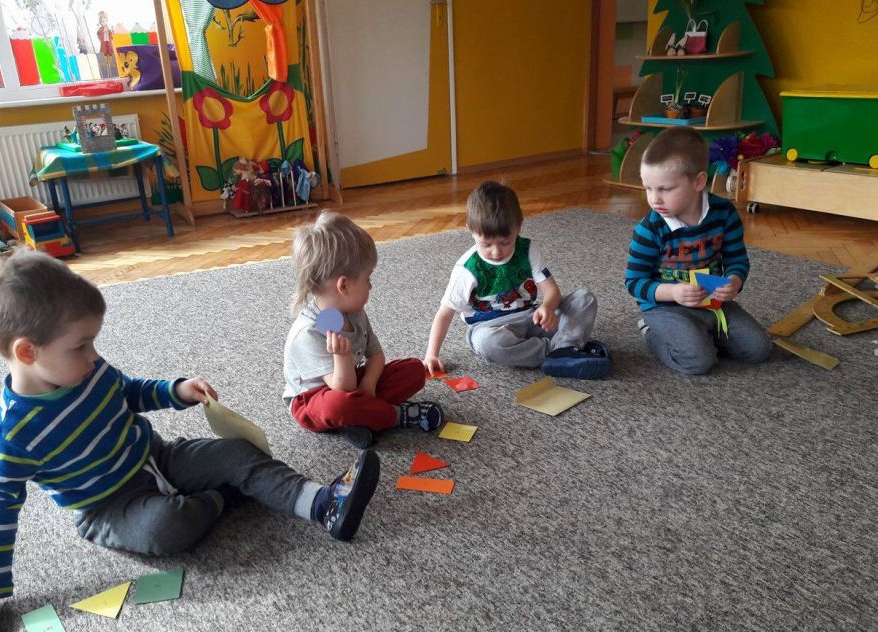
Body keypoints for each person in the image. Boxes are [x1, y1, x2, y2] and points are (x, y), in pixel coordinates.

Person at [0, 250, 380, 632]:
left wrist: (176, 390)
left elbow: (129, 391)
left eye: (92, 343)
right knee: (168, 527)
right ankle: (224, 496)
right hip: (109, 509)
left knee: (237, 452)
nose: (94, 356)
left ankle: (322, 504)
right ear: (27, 352)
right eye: (80, 346)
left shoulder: (87, 369)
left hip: (158, 457)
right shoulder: (11, 439)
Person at [283, 211, 444, 449]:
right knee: (340, 405)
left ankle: (360, 419)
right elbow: (343, 388)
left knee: (414, 370)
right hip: (315, 401)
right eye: (367, 278)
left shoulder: (354, 311)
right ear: (344, 285)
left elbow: (376, 355)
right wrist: (341, 356)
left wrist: (369, 385)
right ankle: (394, 415)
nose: (371, 285)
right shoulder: (308, 333)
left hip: (354, 384)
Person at [424, 181, 611, 379]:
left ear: (519, 226)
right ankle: (559, 351)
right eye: (486, 244)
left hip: (532, 317)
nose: (496, 252)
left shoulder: (527, 249)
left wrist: (547, 307)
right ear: (471, 229)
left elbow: (551, 291)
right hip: (490, 328)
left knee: (584, 299)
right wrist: (431, 354)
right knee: (488, 344)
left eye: (505, 242)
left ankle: (565, 349)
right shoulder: (467, 269)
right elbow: (445, 313)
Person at [625, 126, 771, 375]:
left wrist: (734, 281)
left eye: (665, 189)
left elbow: (737, 259)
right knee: (698, 362)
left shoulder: (724, 213)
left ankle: (701, 336)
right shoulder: (649, 229)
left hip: (712, 303)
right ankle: (652, 333)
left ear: (699, 181)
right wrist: (673, 292)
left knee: (759, 349)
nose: (654, 199)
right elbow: (634, 282)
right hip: (664, 306)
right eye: (648, 188)